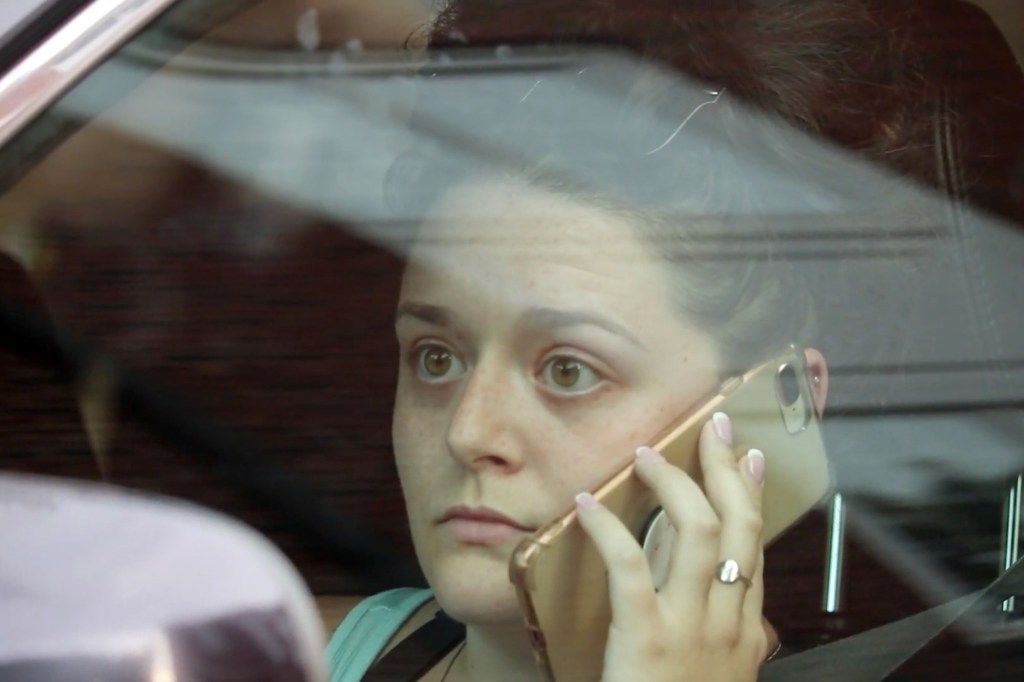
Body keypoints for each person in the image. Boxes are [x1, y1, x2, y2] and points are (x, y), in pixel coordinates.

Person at [325, 0, 1024, 679]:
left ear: (771, 414)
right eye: (436, 358)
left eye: (568, 371)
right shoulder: (273, 650)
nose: (466, 432)